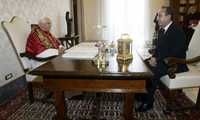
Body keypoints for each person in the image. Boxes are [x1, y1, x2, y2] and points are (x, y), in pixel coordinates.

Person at [136, 6, 189, 112]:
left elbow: (176, 52)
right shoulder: (161, 30)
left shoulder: (177, 31)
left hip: (175, 64)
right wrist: (154, 57)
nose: (157, 18)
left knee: (152, 72)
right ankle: (143, 93)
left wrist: (157, 60)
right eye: (157, 15)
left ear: (168, 17)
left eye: (160, 15)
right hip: (163, 60)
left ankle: (148, 102)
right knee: (143, 65)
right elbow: (159, 49)